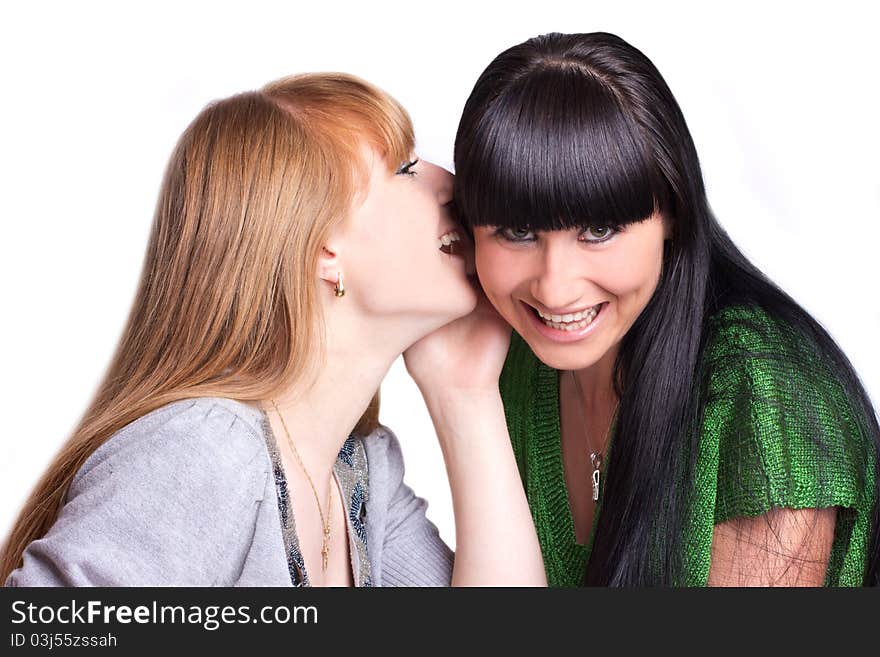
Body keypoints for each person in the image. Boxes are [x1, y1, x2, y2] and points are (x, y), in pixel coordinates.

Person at [2, 73, 545, 587]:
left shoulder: (361, 472)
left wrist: (466, 396)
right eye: (406, 169)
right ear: (322, 250)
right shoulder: (204, 449)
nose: (451, 184)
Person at [452, 32, 879, 586]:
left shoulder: (766, 394)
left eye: (599, 230)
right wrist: (458, 395)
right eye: (517, 232)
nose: (555, 290)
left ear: (672, 213)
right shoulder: (513, 360)